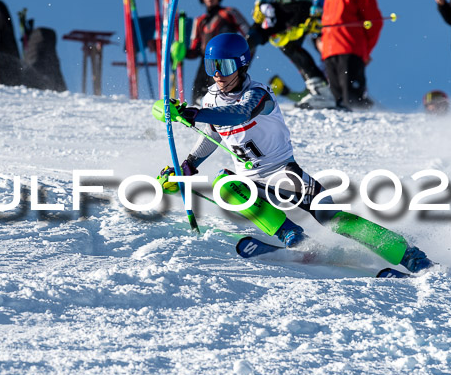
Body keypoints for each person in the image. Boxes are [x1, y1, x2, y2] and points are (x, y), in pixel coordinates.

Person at [157, 33, 434, 274]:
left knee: (335, 221)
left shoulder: (258, 94)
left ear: (241, 66)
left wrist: (194, 114)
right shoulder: (211, 100)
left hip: (284, 176)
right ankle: (293, 237)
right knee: (224, 184)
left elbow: (239, 114)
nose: (217, 74)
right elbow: (215, 133)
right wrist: (189, 165)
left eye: (224, 66)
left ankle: (411, 256)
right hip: (250, 181)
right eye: (211, 66)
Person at [247, 0, 337, 109]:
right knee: (253, 35)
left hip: (300, 6)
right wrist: (261, 2)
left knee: (290, 45)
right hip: (278, 6)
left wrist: (318, 7)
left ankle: (322, 91)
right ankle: (234, 81)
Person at [171, 0, 249, 106]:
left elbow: (249, 35)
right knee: (198, 97)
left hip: (227, 62)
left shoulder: (229, 13)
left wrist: (243, 60)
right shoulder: (200, 21)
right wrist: (181, 52)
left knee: (222, 97)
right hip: (206, 64)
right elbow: (195, 50)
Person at [320, 0, 379, 110]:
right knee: (335, 98)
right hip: (330, 51)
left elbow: (373, 21)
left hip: (350, 48)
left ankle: (362, 124)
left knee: (352, 98)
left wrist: (366, 51)